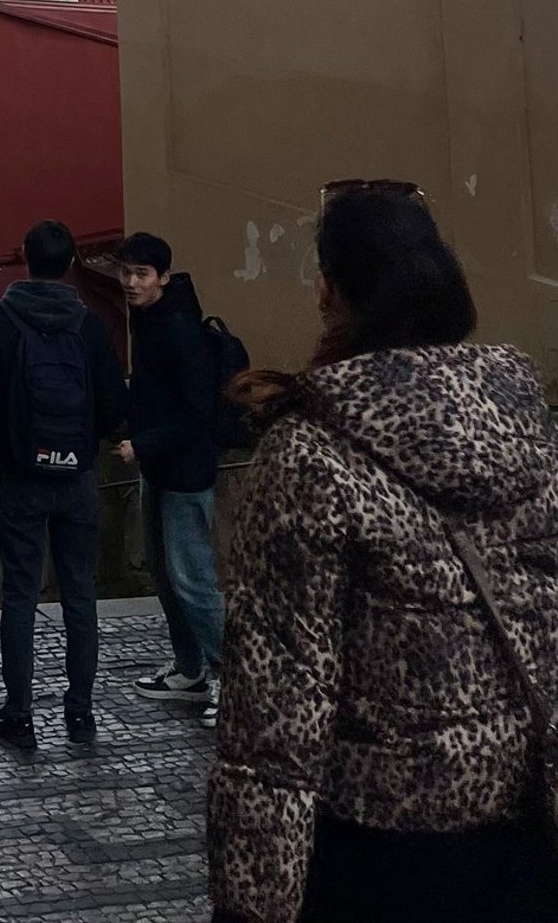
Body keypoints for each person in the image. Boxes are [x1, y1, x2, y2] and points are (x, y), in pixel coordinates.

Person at [210, 181, 558, 923]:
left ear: (329, 293)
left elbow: (279, 705)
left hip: (380, 847)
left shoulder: (309, 454)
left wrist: (253, 903)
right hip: (527, 830)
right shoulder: (531, 431)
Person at [0, 218, 127, 748]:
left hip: (22, 477)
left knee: (20, 595)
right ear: (72, 263)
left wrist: (8, 445)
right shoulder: (88, 325)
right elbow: (111, 405)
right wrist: (82, 445)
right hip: (77, 477)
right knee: (81, 596)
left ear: (25, 260)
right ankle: (80, 714)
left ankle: (20, 713)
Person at [111, 230, 226, 720]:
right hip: (158, 468)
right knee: (165, 575)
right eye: (126, 272)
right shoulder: (147, 320)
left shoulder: (177, 328)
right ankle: (190, 669)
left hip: (184, 471)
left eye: (142, 274)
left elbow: (199, 412)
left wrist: (144, 443)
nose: (131, 283)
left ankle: (236, 679)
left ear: (164, 278)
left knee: (193, 579)